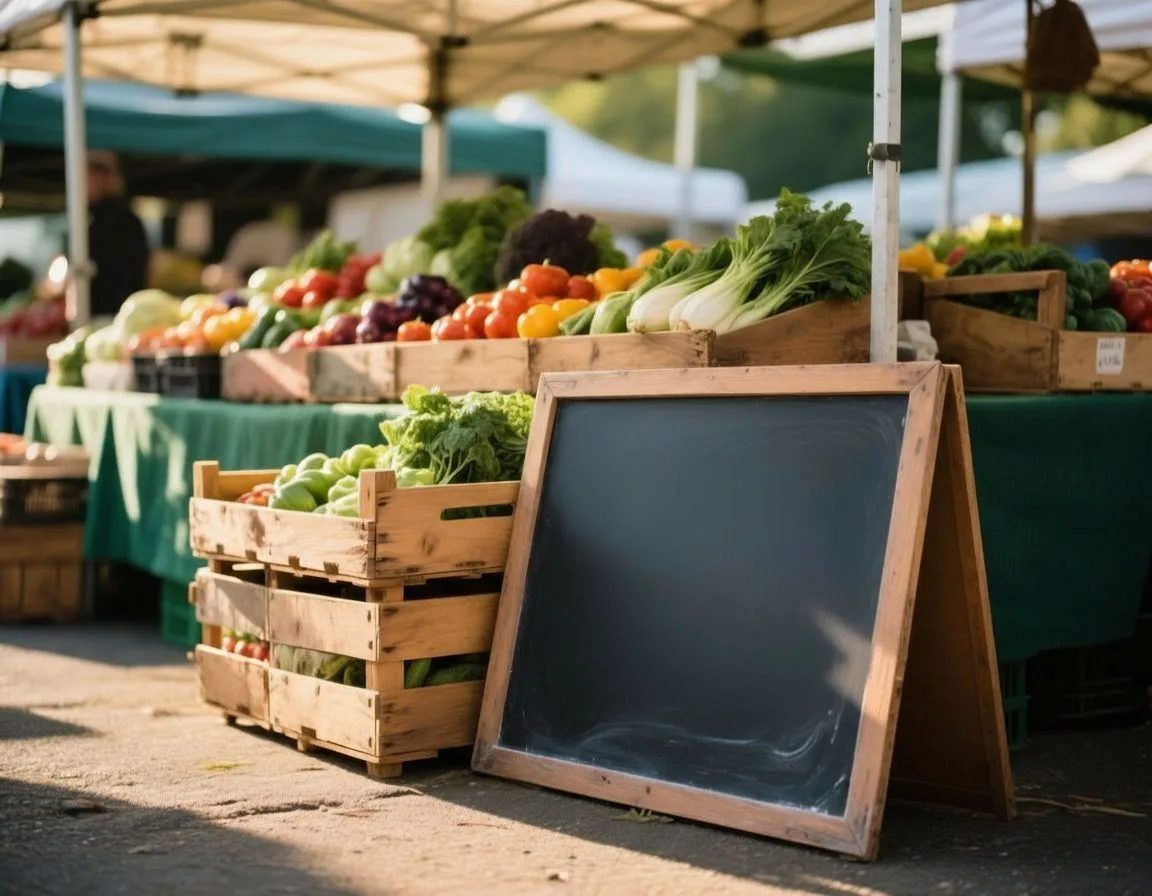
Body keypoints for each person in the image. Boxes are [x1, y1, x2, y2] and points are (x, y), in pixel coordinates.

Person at [81, 151, 151, 318]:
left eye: (92, 173)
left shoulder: (121, 219)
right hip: (107, 310)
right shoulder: (90, 216)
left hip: (114, 311)